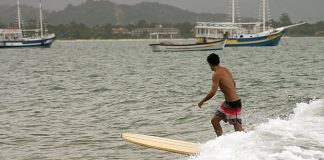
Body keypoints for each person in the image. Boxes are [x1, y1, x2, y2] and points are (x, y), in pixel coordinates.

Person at [198, 53, 243, 137]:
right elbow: (234, 82)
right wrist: (230, 93)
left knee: (239, 132)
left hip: (234, 104)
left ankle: (248, 144)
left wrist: (202, 101)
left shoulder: (216, 75)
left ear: (210, 64)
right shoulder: (225, 69)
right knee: (214, 121)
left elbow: (213, 92)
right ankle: (220, 140)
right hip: (227, 103)